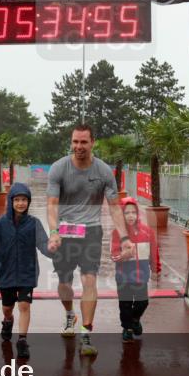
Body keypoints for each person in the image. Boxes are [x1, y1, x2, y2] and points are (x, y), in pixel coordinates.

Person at [47, 125, 134, 356]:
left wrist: (125, 237)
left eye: (83, 142)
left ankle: (86, 333)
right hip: (65, 232)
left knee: (89, 281)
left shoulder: (104, 171)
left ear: (93, 142)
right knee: (64, 283)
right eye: (75, 142)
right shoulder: (59, 168)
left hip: (91, 232)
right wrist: (54, 231)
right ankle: (69, 315)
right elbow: (52, 204)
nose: (78, 147)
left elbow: (114, 207)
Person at [0, 182, 52, 360]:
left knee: (24, 305)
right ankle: (8, 320)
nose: (21, 203)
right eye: (17, 200)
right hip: (5, 272)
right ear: (11, 201)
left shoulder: (34, 223)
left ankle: (22, 340)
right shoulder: (0, 223)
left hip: (27, 272)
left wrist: (55, 249)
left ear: (28, 202)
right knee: (8, 307)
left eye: (24, 200)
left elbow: (44, 244)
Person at [110, 197, 160, 342]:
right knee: (124, 305)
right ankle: (127, 328)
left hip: (141, 276)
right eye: (126, 213)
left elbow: (154, 252)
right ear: (122, 215)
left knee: (142, 302)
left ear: (138, 213)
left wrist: (156, 270)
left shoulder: (147, 231)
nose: (130, 216)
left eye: (133, 212)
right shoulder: (117, 233)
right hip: (123, 277)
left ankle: (135, 320)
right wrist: (122, 255)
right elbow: (113, 255)